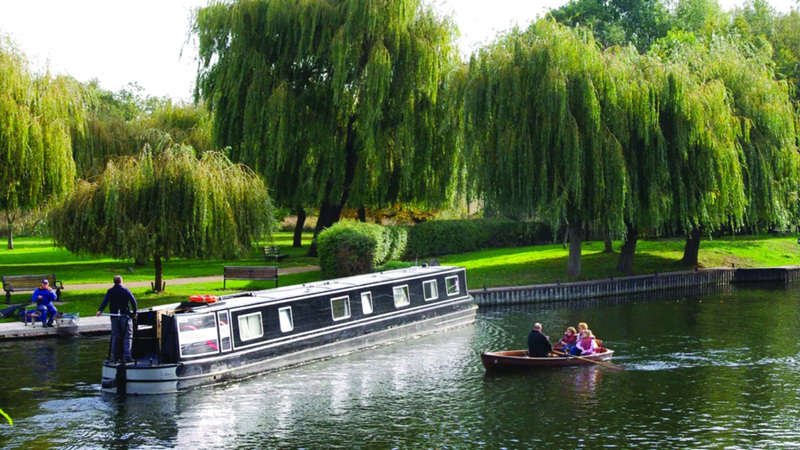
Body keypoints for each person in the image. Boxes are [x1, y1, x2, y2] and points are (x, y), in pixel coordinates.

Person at [96, 275, 138, 362]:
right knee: (127, 336)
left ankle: (114, 357)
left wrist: (100, 310)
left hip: (114, 316)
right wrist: (134, 313)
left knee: (115, 336)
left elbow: (105, 301)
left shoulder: (110, 291)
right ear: (121, 281)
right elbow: (133, 302)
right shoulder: (126, 291)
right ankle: (127, 356)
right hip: (125, 316)